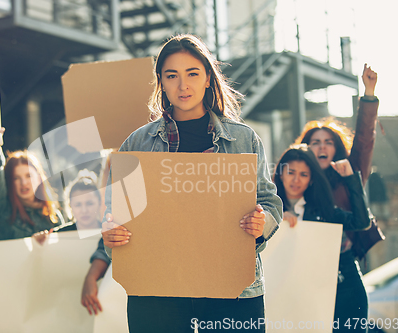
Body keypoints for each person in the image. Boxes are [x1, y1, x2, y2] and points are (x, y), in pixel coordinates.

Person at [101, 34, 283, 333]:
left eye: (192, 74)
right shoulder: (136, 144)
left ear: (208, 78)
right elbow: (115, 214)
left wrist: (261, 223)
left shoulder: (243, 139)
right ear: (161, 81)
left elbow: (269, 201)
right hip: (157, 290)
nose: (182, 85)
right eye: (172, 76)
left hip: (231, 289)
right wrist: (112, 233)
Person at [294, 64, 379, 332]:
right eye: (315, 142)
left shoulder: (348, 173)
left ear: (336, 148)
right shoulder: (294, 179)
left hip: (344, 266)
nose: (322, 146)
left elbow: (365, 140)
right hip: (305, 269)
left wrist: (368, 94)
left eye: (328, 142)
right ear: (306, 148)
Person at [0, 128, 64, 241]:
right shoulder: (1, 210)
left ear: (39, 178)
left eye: (28, 176)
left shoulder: (53, 217)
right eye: (16, 178)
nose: (23, 183)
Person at [65, 170, 110, 316]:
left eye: (89, 203)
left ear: (99, 203)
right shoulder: (58, 235)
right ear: (70, 206)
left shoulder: (108, 231)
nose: (84, 210)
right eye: (78, 204)